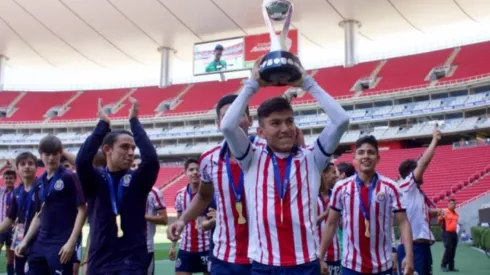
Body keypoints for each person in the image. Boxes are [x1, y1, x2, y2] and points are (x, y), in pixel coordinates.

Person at [220, 57, 349, 273]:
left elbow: (341, 120)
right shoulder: (251, 157)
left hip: (305, 263)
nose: (285, 128)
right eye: (275, 123)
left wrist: (307, 83)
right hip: (264, 264)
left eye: (289, 121)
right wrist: (252, 84)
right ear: (260, 132)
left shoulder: (312, 157)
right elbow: (228, 127)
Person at [167, 94, 264, 275]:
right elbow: (204, 196)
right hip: (224, 257)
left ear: (250, 120)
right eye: (227, 116)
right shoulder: (209, 159)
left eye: (239, 114)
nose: (232, 121)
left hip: (264, 256)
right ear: (219, 124)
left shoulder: (268, 153)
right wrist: (182, 220)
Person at [75, 98, 160, 273]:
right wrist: (103, 125)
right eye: (124, 147)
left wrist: (134, 122)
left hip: (132, 260)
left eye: (133, 148)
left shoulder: (137, 180)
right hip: (100, 260)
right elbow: (82, 160)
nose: (130, 153)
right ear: (107, 149)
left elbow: (151, 159)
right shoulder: (95, 178)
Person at [319, 135, 414, 275]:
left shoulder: (390, 187)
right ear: (355, 158)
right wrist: (320, 257)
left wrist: (409, 256)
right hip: (351, 266)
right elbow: (331, 224)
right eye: (361, 152)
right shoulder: (341, 187)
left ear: (378, 158)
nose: (366, 156)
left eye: (371, 152)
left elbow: (403, 223)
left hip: (382, 265)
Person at [15, 136, 86, 275]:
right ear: (41, 155)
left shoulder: (69, 177)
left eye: (55, 154)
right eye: (47, 154)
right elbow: (38, 215)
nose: (51, 158)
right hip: (39, 244)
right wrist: (24, 242)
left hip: (60, 245)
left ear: (60, 153)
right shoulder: (39, 182)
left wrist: (71, 243)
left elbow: (82, 210)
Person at [397, 128, 444, 275]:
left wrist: (434, 212)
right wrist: (434, 141)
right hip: (413, 246)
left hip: (421, 246)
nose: (423, 173)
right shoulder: (407, 185)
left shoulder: (414, 191)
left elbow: (416, 212)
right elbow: (423, 163)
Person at [0, 153, 39, 275]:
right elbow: (10, 218)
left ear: (36, 167)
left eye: (30, 163)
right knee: (20, 271)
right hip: (20, 240)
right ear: (18, 169)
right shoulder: (17, 191)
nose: (26, 167)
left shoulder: (42, 187)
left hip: (39, 240)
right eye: (22, 164)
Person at [171, 159, 211, 275]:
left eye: (197, 169)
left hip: (207, 247)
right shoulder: (180, 195)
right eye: (191, 169)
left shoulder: (210, 194)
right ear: (185, 173)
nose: (194, 172)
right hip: (186, 248)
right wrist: (173, 245)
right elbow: (179, 222)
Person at [131, 156, 168, 275]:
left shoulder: (154, 193)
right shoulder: (122, 189)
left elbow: (164, 219)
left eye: (139, 166)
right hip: (124, 247)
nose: (136, 168)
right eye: (133, 166)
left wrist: (143, 216)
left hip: (146, 247)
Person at [317, 163, 341, 275]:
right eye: (333, 172)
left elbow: (341, 225)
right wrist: (325, 214)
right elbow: (306, 224)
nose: (336, 176)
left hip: (335, 254)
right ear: (324, 174)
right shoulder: (311, 197)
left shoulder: (337, 196)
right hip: (315, 254)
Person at [0, 170, 17, 274]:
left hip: (13, 229)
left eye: (11, 178)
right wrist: (4, 166)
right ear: (3, 179)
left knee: (11, 258)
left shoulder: (18, 191)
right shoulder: (1, 191)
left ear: (15, 179)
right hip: (1, 227)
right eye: (6, 178)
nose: (8, 180)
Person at [439, 199, 459, 272]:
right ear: (448, 204)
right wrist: (443, 229)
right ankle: (443, 265)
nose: (452, 205)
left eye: (454, 203)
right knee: (449, 248)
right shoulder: (445, 212)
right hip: (447, 232)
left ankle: (451, 266)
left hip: (454, 233)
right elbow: (439, 220)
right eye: (451, 203)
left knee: (453, 249)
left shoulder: (456, 214)